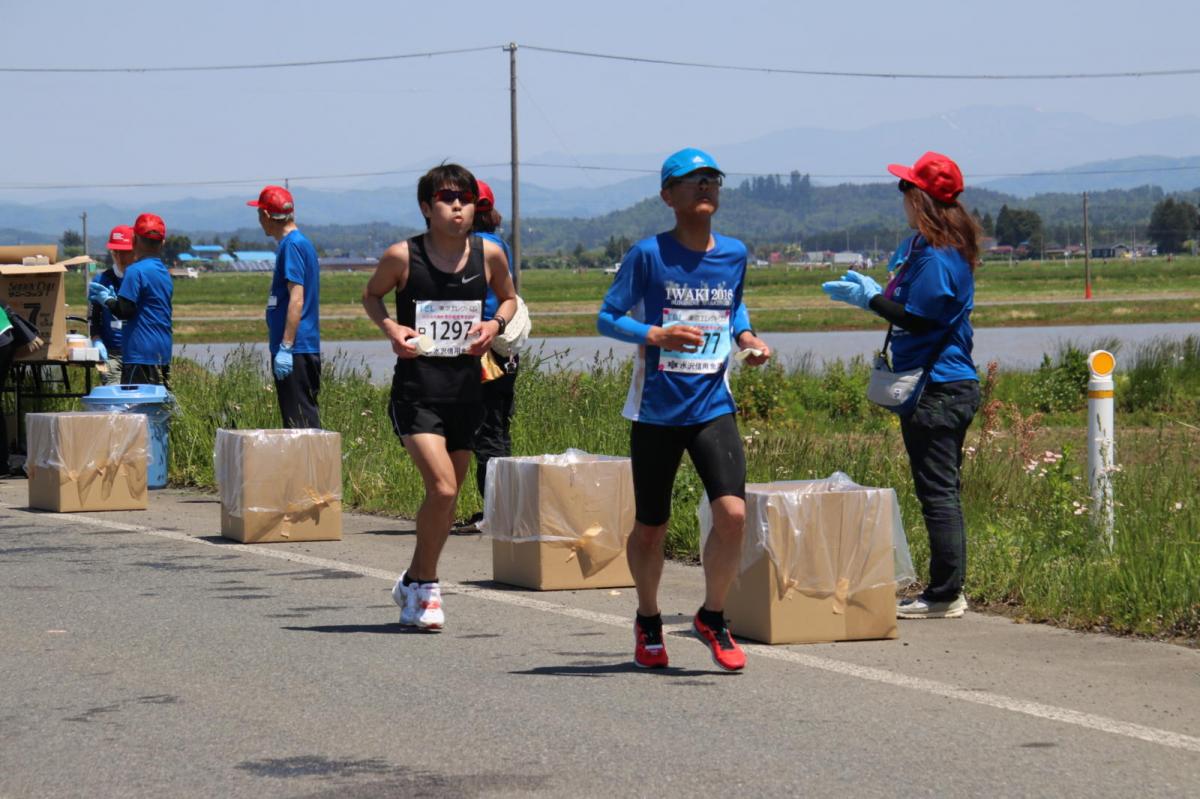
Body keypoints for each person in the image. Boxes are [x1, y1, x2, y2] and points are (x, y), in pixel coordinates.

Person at [596, 147, 770, 671]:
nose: (705, 187)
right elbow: (607, 317)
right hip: (656, 411)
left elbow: (731, 301)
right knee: (652, 527)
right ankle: (648, 619)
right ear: (668, 195)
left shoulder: (734, 253)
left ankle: (712, 617)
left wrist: (746, 337)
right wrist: (653, 332)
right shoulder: (648, 254)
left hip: (713, 403)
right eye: (692, 180)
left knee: (734, 515)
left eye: (712, 179)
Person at [821, 151, 981, 620]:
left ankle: (945, 594)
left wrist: (871, 299)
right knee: (942, 488)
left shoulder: (935, 257)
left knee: (937, 494)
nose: (902, 197)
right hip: (948, 384)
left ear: (922, 198)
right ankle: (946, 588)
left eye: (906, 189)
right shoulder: (934, 249)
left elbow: (920, 320)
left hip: (937, 388)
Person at [362, 164, 517, 631]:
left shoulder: (488, 255)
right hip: (417, 392)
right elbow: (371, 297)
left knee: (446, 502)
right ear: (427, 207)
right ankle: (428, 588)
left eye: (466, 199)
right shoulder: (403, 257)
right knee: (444, 488)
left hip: (467, 393)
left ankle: (416, 578)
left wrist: (494, 325)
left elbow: (508, 299)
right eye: (448, 199)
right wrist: (391, 327)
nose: (458, 207)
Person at [461, 179, 517, 529]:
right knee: (494, 430)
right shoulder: (496, 244)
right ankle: (498, 509)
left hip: (483, 352)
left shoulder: (475, 248)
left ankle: (496, 512)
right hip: (500, 349)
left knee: (487, 434)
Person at [249, 185, 322, 428]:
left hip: (296, 349)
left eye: (259, 215)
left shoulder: (291, 245)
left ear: (267, 216)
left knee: (300, 424)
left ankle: (311, 467)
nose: (259, 221)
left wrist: (286, 347)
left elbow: (297, 298)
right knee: (297, 421)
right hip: (298, 348)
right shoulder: (298, 243)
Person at [88, 213, 174, 388]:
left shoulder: (135, 271)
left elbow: (125, 311)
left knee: (135, 408)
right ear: (163, 243)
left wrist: (108, 301)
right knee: (158, 404)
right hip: (162, 350)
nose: (119, 257)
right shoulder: (164, 272)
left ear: (134, 241)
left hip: (138, 352)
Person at [89, 225, 136, 385]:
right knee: (112, 393)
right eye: (116, 252)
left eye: (125, 252)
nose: (120, 257)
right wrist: (96, 339)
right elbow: (93, 316)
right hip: (110, 352)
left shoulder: (139, 278)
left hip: (136, 352)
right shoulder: (101, 280)